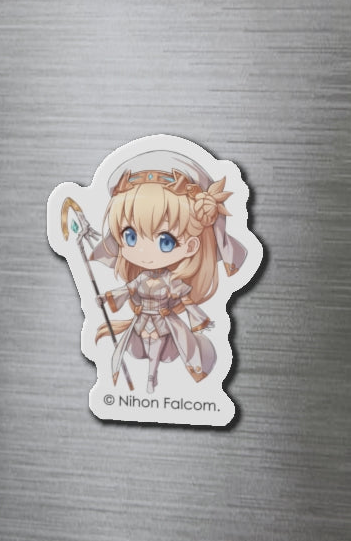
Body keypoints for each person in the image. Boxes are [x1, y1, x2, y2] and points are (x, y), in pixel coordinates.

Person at [80, 151, 249, 393]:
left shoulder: (171, 281)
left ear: (191, 246)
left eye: (166, 241)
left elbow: (186, 301)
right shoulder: (140, 278)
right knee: (135, 346)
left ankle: (152, 377)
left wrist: (199, 319)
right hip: (143, 319)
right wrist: (105, 298)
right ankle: (148, 378)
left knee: (164, 347)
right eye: (130, 236)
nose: (144, 252)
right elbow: (127, 290)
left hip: (162, 320)